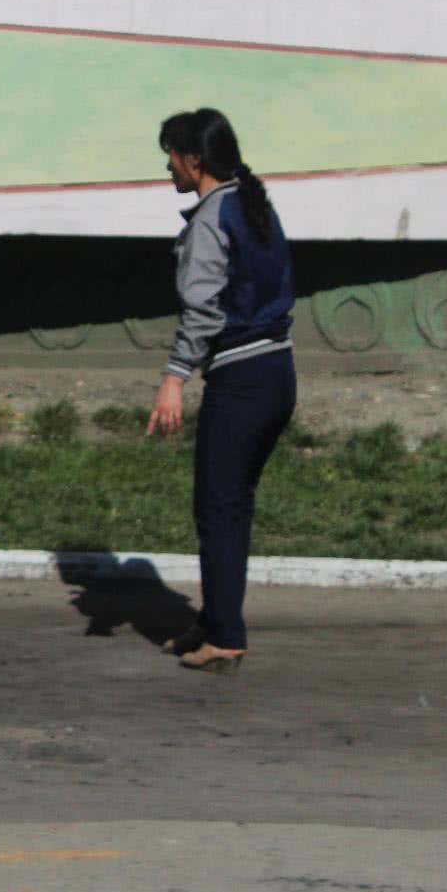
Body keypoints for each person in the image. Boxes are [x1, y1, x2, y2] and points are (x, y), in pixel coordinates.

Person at [148, 108, 297, 676]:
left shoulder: (212, 217)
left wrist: (173, 377)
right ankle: (213, 622)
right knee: (230, 505)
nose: (167, 165)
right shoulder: (253, 204)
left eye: (171, 155)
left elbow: (203, 309)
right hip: (278, 374)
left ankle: (226, 637)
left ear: (195, 160)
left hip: (241, 381)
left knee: (219, 508)